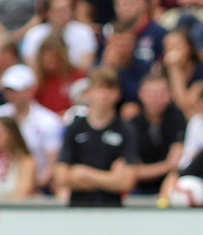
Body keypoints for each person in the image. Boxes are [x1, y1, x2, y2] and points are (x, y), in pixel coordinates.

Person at [54, 67, 139, 206]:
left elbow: (127, 181)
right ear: (89, 93)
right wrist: (111, 179)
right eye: (100, 88)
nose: (104, 95)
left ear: (118, 94)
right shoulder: (75, 128)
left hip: (111, 210)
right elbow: (61, 177)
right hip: (78, 210)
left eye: (110, 89)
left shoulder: (126, 130)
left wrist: (83, 173)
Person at [0, 63, 65, 190]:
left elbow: (53, 162)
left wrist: (34, 185)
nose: (11, 95)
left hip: (37, 184)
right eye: (8, 90)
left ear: (30, 90)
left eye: (16, 90)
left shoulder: (49, 121)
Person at [129, 69, 187, 195]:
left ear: (169, 95)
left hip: (172, 185)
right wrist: (167, 165)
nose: (156, 99)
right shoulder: (133, 124)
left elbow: (177, 163)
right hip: (139, 188)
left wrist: (145, 170)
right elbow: (133, 170)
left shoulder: (178, 118)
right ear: (141, 94)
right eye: (151, 94)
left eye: (161, 94)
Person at [21, 0, 98, 70]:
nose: (67, 13)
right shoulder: (34, 34)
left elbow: (85, 65)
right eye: (61, 10)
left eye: (69, 8)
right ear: (47, 13)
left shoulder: (84, 32)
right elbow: (32, 65)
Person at [33, 33, 86, 115]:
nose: (50, 60)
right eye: (46, 57)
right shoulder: (38, 81)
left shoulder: (78, 76)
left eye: (53, 56)